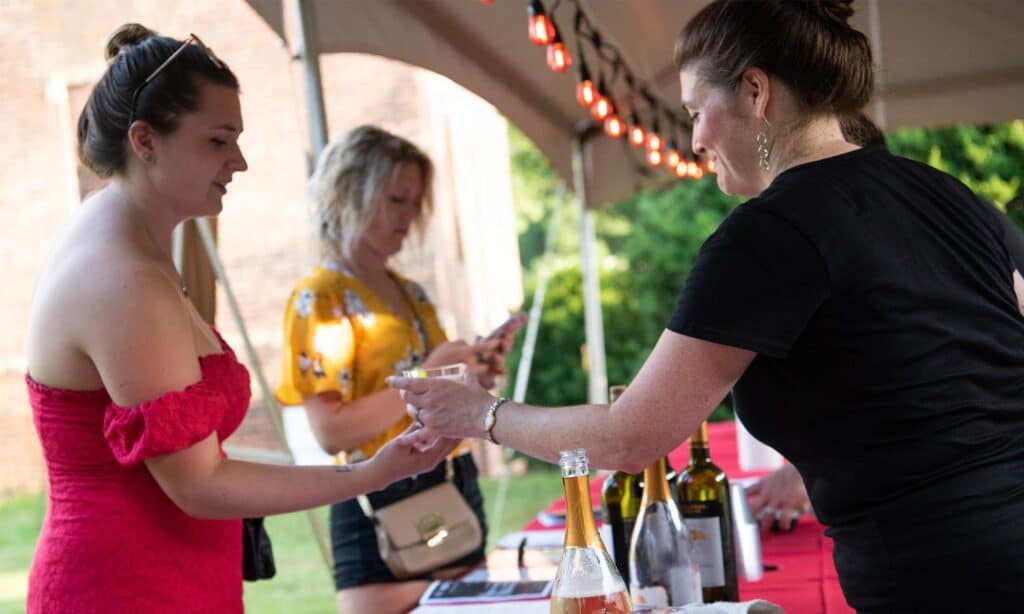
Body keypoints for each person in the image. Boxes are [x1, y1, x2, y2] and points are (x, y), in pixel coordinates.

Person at [389, 0, 1024, 610]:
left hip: (940, 574)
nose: (694, 139)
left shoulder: (769, 233)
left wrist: (483, 414)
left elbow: (629, 437)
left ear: (755, 92)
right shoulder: (955, 199)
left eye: (696, 110)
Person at [24, 25, 458, 614]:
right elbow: (200, 483)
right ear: (145, 140)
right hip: (127, 586)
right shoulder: (122, 278)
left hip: (173, 575)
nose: (240, 161)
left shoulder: (131, 247)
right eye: (219, 141)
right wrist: (370, 474)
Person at [276, 125, 516, 614]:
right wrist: (430, 373)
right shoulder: (319, 297)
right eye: (396, 200)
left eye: (415, 202)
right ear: (350, 194)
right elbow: (330, 433)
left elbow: (431, 395)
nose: (409, 216)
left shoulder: (411, 292)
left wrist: (474, 373)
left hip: (449, 480)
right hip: (375, 492)